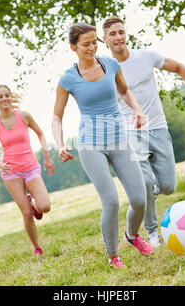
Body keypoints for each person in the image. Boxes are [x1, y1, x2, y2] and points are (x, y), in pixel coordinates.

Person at [102, 16, 185, 247]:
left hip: (158, 127)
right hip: (131, 131)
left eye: (121, 32)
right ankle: (152, 232)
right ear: (104, 39)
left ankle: (147, 196)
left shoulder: (145, 57)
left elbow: (179, 67)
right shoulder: (104, 69)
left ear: (126, 35)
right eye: (112, 34)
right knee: (143, 180)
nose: (118, 37)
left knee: (167, 186)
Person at [52, 22, 153, 269]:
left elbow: (125, 91)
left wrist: (137, 108)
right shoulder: (68, 79)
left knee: (140, 199)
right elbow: (57, 116)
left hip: (119, 138)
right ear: (73, 47)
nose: (92, 47)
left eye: (95, 42)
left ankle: (132, 234)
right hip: (91, 143)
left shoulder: (110, 65)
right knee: (111, 201)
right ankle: (113, 256)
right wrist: (60, 144)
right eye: (86, 44)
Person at [0, 84, 55, 256]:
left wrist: (46, 155)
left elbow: (41, 134)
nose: (4, 99)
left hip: (30, 167)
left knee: (45, 206)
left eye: (7, 95)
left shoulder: (24, 116)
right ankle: (37, 248)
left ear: (11, 97)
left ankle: (33, 201)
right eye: (0, 96)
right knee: (26, 213)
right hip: (10, 173)